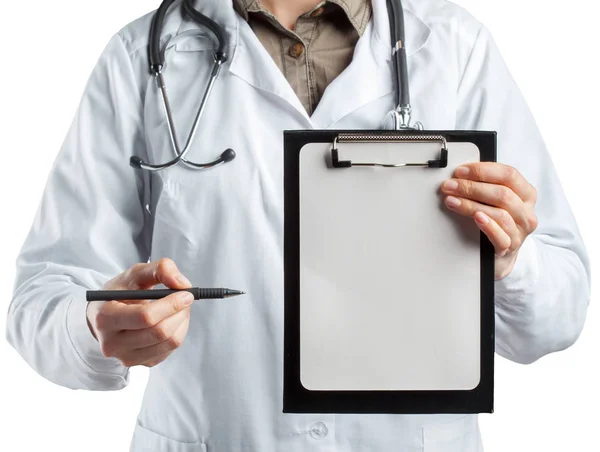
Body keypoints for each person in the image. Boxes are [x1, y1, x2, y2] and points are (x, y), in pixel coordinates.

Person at [5, 0, 591, 450]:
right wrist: (96, 324)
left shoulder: (453, 48)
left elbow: (557, 314)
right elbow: (40, 297)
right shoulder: (144, 57)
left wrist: (511, 262)